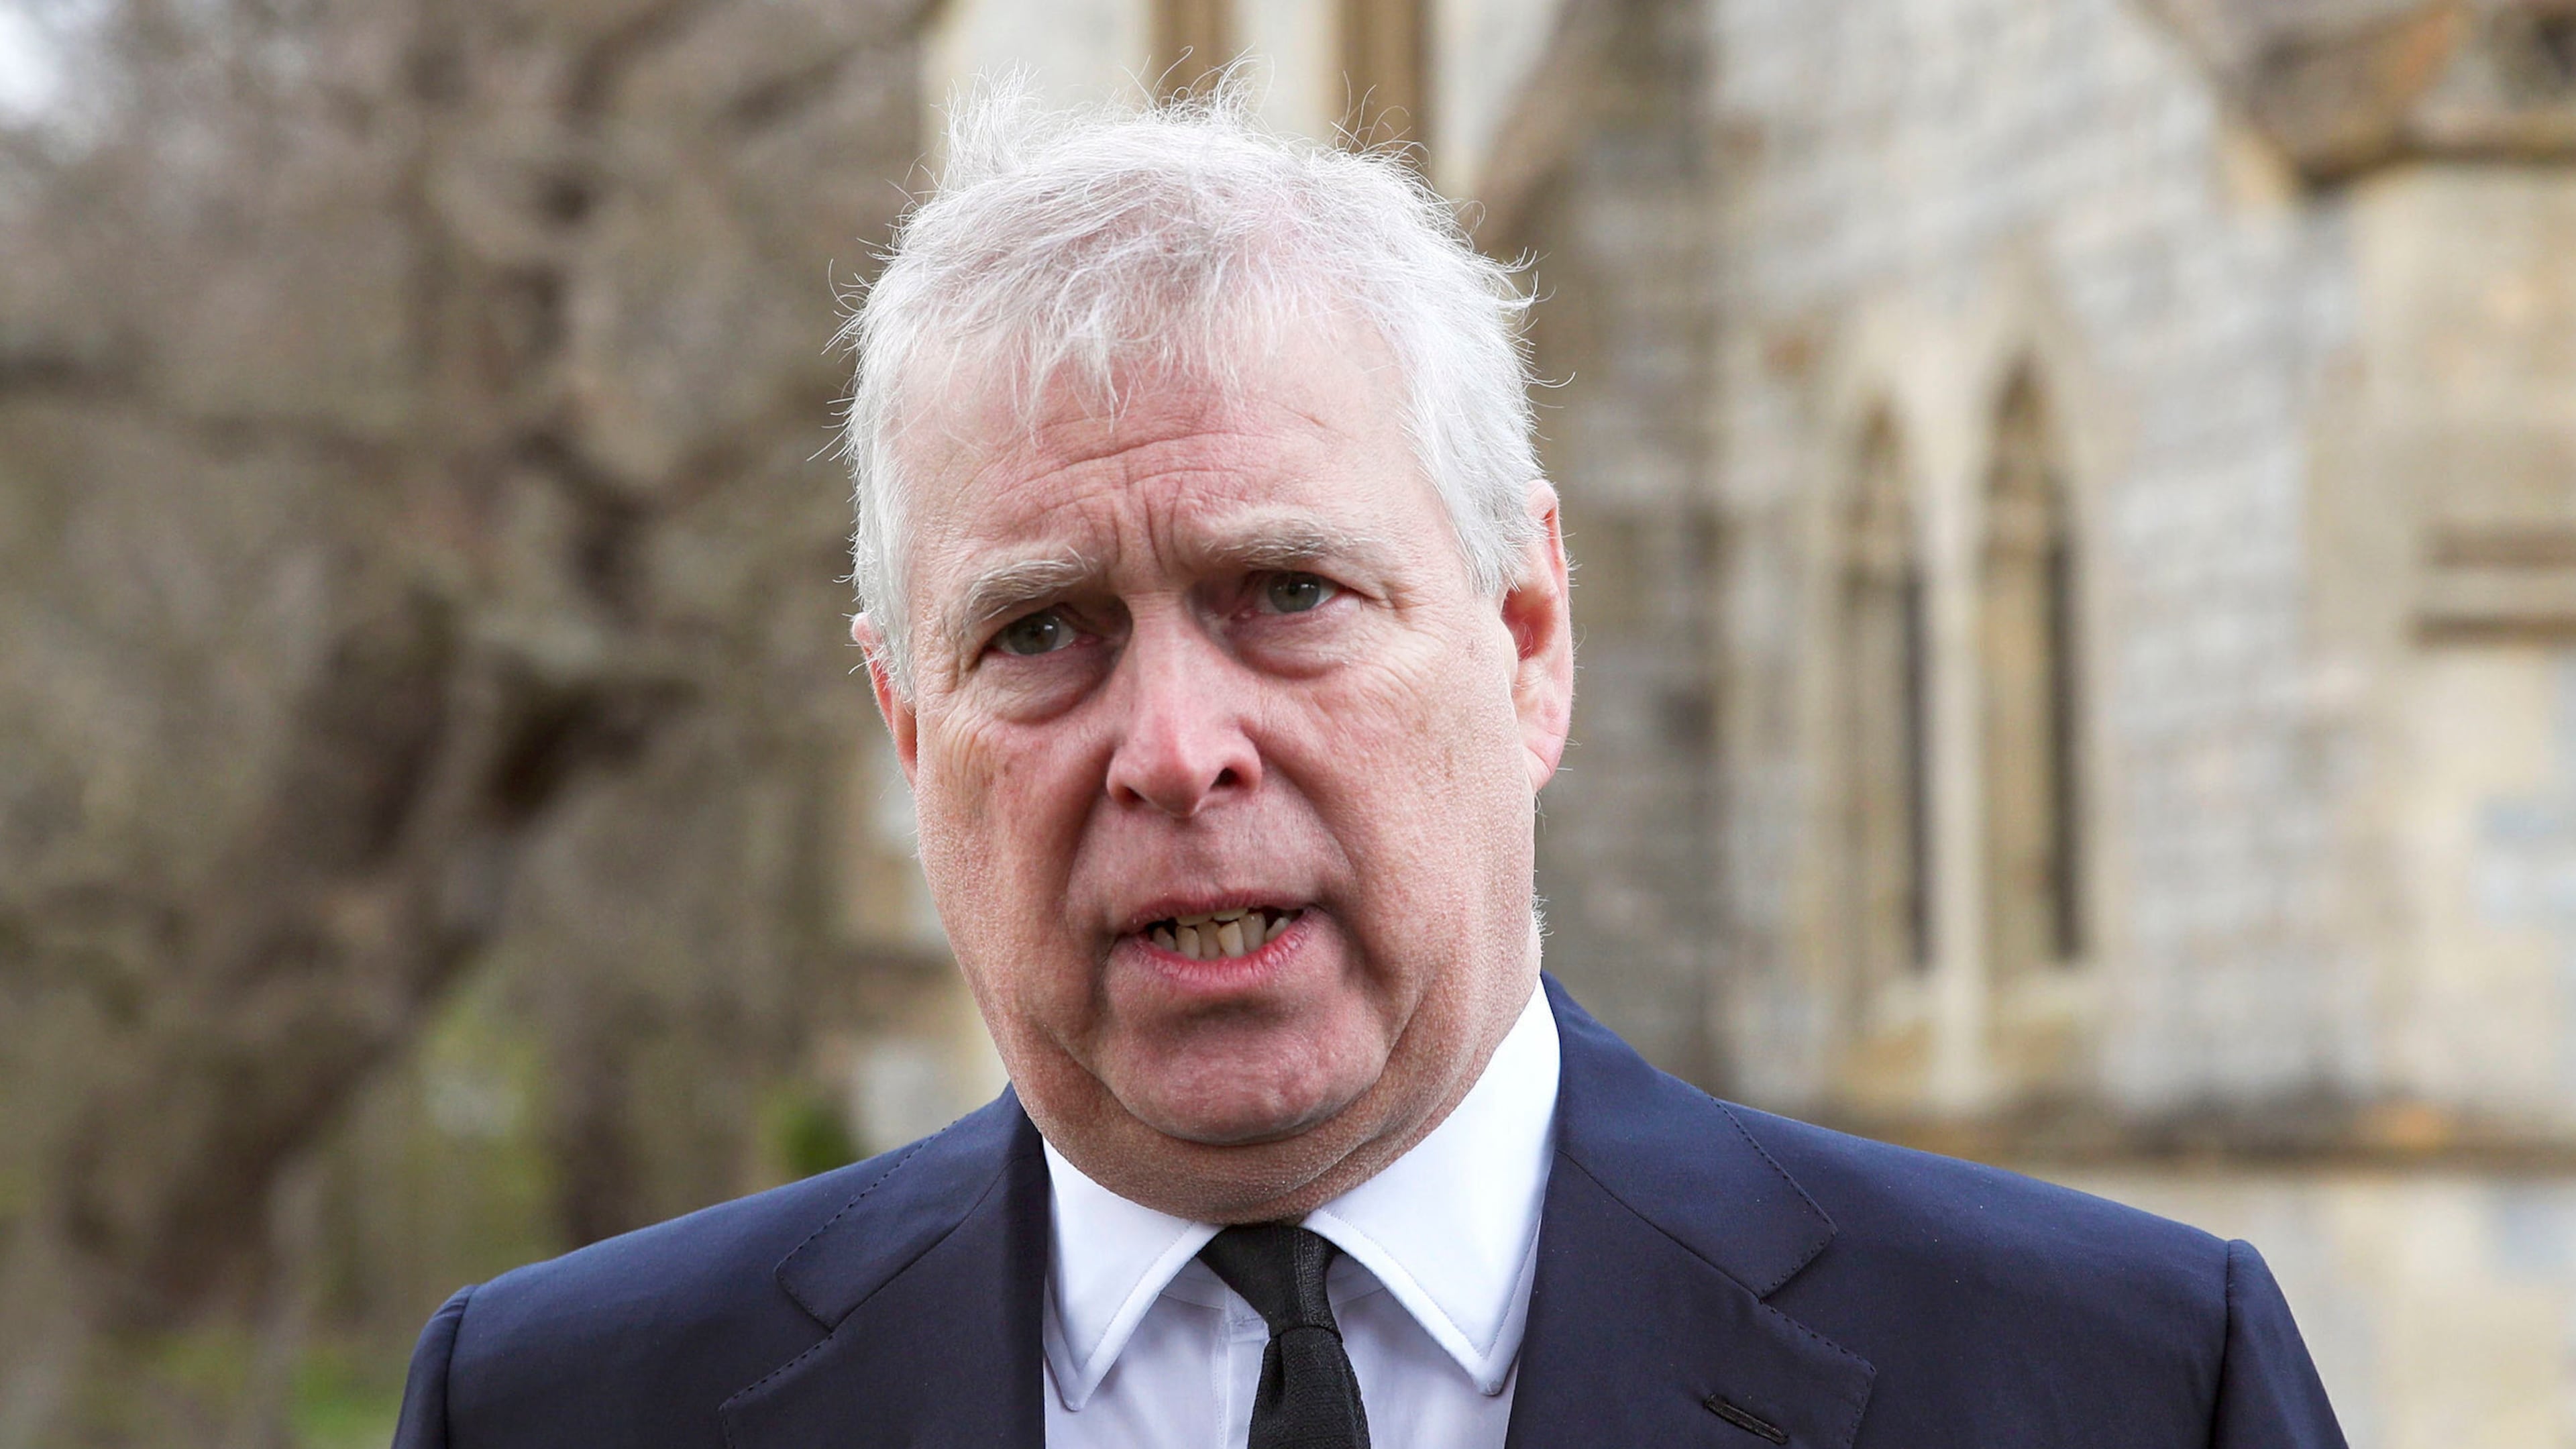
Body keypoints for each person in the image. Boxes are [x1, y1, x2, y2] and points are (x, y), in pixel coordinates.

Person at [390, 84, 2345, 1449]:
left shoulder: (2118, 1386)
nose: (1173, 751)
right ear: (911, 730)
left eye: (1288, 591)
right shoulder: (564, 1408)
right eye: (1040, 633)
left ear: (1524, 638)